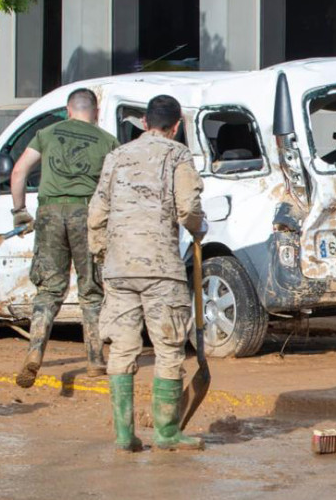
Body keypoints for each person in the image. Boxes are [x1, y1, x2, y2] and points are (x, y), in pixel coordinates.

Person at [87, 94, 206, 452]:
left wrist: (102, 255)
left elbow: (96, 214)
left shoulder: (116, 156)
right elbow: (187, 208)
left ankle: (124, 436)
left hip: (119, 269)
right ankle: (167, 433)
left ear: (143, 123)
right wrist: (199, 228)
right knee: (169, 349)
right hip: (161, 270)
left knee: (123, 350)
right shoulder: (178, 155)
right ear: (177, 125)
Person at [12, 88, 118, 388]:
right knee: (91, 289)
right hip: (87, 214)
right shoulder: (108, 141)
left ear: (68, 110)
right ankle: (96, 359)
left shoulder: (46, 133)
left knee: (49, 289)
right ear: (95, 112)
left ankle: (34, 352)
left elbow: (19, 170)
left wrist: (19, 211)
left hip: (49, 212)